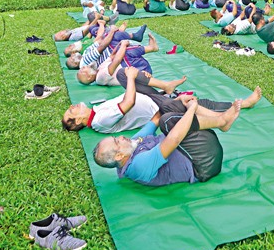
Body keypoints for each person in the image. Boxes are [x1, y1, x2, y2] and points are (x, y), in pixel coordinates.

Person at [62, 66, 262, 133]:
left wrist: (130, 78)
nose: (72, 106)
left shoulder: (96, 112)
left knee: (123, 73)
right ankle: (237, 109)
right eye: (71, 111)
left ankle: (165, 85)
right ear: (78, 121)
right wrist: (133, 79)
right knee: (194, 103)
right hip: (156, 109)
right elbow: (128, 102)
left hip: (150, 97)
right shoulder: (98, 121)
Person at [92, 97, 240, 185]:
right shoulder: (137, 166)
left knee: (167, 107)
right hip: (202, 163)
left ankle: (221, 120)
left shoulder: (131, 145)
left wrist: (178, 100)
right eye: (117, 142)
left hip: (192, 147)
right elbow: (173, 140)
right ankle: (221, 121)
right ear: (119, 156)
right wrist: (192, 109)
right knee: (168, 121)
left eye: (116, 137)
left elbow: (155, 118)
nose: (121, 137)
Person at [76, 34, 159, 84]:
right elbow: (116, 61)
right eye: (82, 71)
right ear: (89, 77)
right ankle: (152, 48)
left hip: (133, 66)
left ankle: (150, 47)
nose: (83, 67)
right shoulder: (100, 78)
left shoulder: (98, 69)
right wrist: (123, 45)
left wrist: (119, 45)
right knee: (126, 52)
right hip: (139, 71)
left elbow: (112, 56)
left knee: (121, 50)